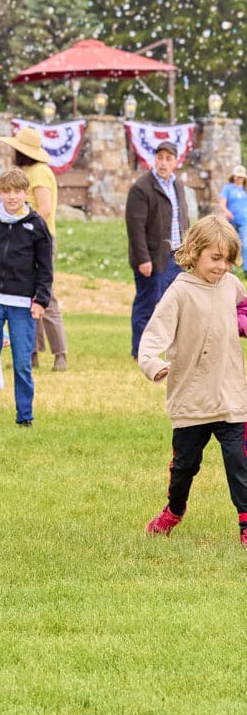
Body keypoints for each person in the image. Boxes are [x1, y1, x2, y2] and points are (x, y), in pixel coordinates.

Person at [138, 216, 247, 548]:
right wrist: (153, 364)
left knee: (240, 463)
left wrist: (241, 320)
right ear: (196, 252)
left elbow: (243, 305)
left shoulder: (231, 285)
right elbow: (153, 335)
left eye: (228, 260)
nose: (222, 267)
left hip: (231, 395)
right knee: (185, 465)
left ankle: (246, 525)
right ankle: (173, 510)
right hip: (191, 399)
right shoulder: (180, 291)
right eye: (215, 258)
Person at [0, 168, 53, 427]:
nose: (12, 197)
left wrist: (41, 299)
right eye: (6, 192)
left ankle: (25, 417)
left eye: (17, 192)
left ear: (25, 193)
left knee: (22, 363)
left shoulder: (37, 225)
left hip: (23, 304)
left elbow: (45, 267)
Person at [0, 126, 69, 372]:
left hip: (38, 239)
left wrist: (21, 226)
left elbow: (45, 208)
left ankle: (60, 353)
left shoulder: (38, 172)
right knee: (28, 296)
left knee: (45, 296)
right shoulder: (31, 171)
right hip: (28, 239)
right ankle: (31, 352)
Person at [125, 139, 190, 359]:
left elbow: (183, 218)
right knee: (147, 304)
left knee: (175, 303)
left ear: (176, 162)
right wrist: (143, 259)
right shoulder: (141, 188)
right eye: (160, 158)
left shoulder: (177, 185)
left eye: (168, 159)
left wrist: (189, 249)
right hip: (152, 257)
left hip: (177, 256)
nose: (163, 163)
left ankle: (174, 348)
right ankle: (141, 351)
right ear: (154, 159)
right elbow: (135, 227)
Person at [218, 164, 247, 269]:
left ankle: (245, 268)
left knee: (245, 244)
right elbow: (222, 203)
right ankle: (230, 267)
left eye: (241, 177)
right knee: (231, 244)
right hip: (231, 221)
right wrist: (227, 211)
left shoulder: (245, 189)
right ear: (234, 176)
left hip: (244, 221)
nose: (239, 179)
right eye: (238, 177)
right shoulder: (228, 188)